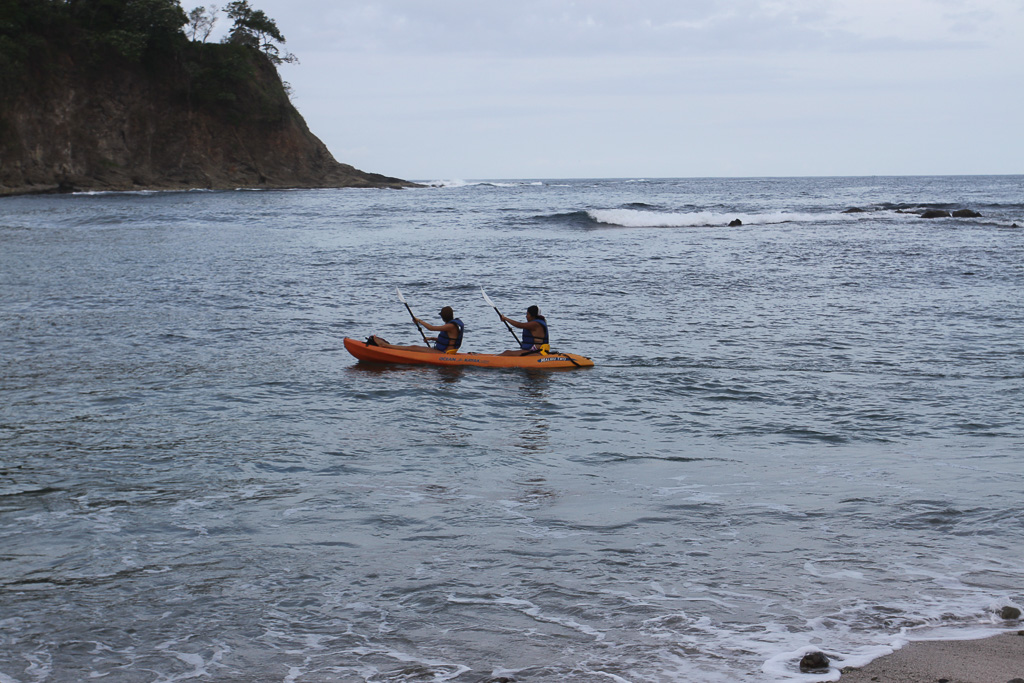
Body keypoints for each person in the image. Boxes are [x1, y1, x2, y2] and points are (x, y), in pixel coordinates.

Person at [369, 306, 464, 353]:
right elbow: (450, 340)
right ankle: (387, 346)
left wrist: (419, 320)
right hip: (445, 351)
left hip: (444, 354)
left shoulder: (450, 326)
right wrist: (431, 338)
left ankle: (385, 346)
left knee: (413, 348)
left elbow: (431, 328)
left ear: (443, 316)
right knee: (415, 347)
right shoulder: (451, 325)